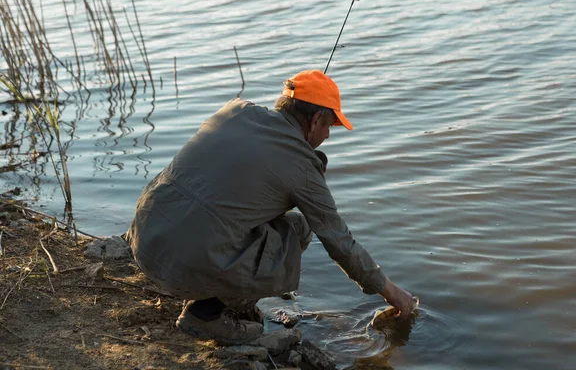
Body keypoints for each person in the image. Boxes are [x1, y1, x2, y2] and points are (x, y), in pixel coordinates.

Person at [126, 69, 416, 344]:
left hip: (144, 239)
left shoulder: (235, 110)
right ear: (315, 120)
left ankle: (210, 289)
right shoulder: (301, 167)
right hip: (181, 264)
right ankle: (205, 314)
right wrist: (390, 292)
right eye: (329, 126)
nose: (328, 135)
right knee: (299, 228)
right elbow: (339, 242)